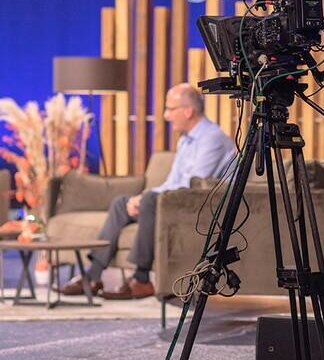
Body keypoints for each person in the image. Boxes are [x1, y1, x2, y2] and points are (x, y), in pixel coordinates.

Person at [60, 83, 236, 299]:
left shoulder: (212, 138)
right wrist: (140, 198)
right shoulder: (186, 140)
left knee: (152, 200)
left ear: (188, 111)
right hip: (177, 201)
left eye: (170, 109)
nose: (166, 115)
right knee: (122, 203)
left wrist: (149, 199)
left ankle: (141, 279)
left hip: (198, 208)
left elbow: (193, 186)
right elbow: (172, 182)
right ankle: (92, 276)